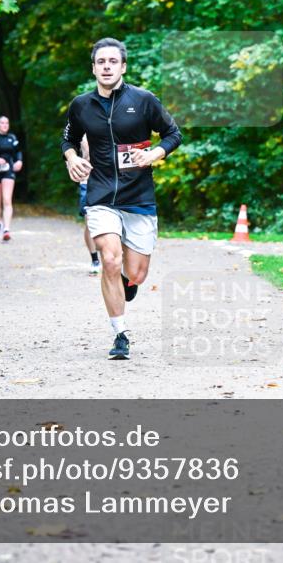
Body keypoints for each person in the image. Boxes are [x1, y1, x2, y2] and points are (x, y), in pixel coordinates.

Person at [61, 37, 182, 360]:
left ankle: (129, 283)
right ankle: (120, 334)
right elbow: (68, 139)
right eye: (101, 62)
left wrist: (155, 153)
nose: (107, 67)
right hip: (101, 195)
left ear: (123, 66)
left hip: (139, 197)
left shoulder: (143, 101)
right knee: (110, 260)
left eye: (113, 62)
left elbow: (174, 134)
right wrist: (72, 158)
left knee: (136, 272)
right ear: (93, 68)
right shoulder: (81, 105)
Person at [77, 135, 102, 274]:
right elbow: (84, 155)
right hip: (87, 181)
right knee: (89, 221)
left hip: (107, 181)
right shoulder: (80, 128)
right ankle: (94, 259)